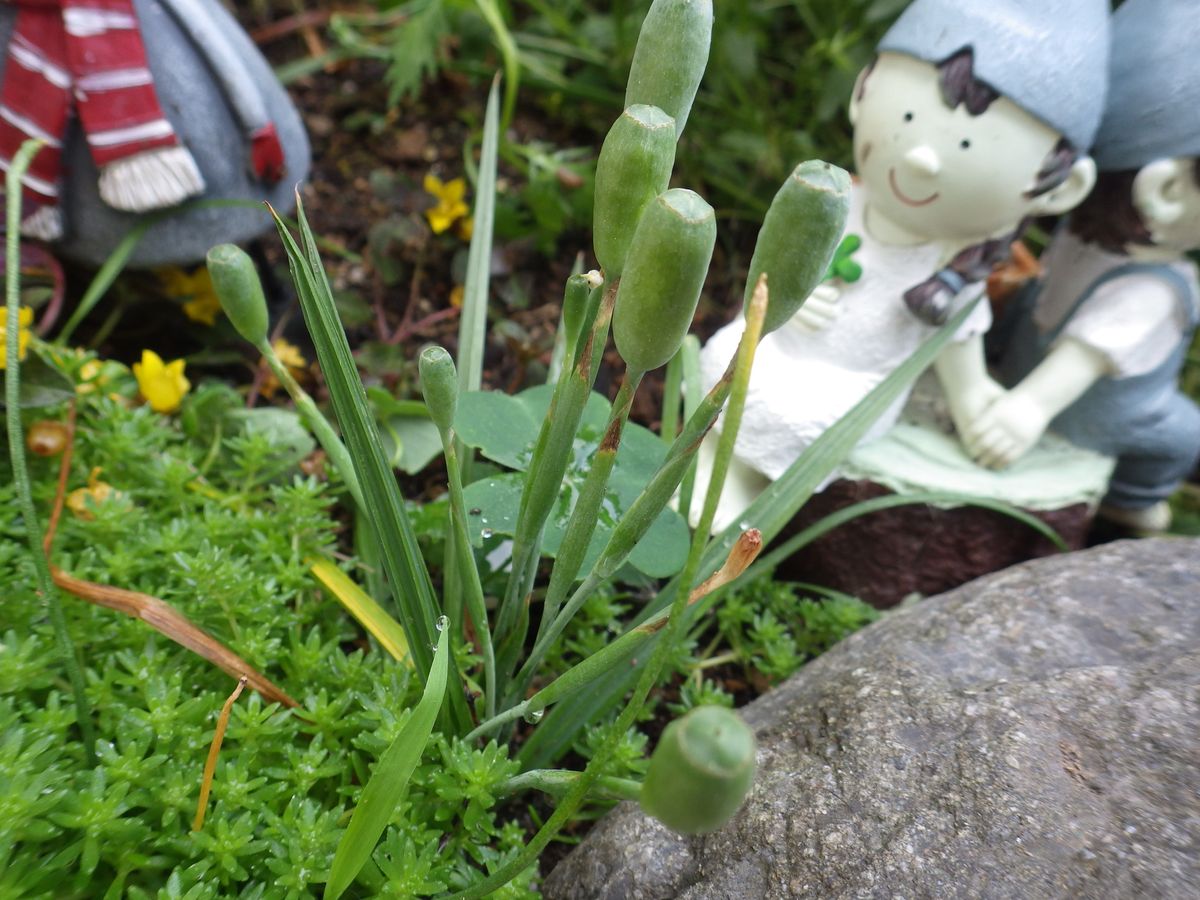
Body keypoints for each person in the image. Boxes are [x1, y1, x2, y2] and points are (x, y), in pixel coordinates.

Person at [693, 0, 1108, 531]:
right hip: (778, 342)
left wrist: (979, 410)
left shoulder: (951, 270)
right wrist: (788, 302)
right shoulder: (835, 198)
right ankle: (703, 458)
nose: (920, 158)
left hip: (851, 381)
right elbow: (771, 271)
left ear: (1061, 188)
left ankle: (744, 488)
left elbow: (962, 370)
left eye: (962, 143)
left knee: (801, 415)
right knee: (727, 359)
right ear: (862, 88)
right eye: (909, 118)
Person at [964, 0, 1200, 532]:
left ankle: (1128, 507)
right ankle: (1134, 506)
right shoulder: (1157, 286)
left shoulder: (1085, 237)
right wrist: (1026, 409)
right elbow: (1081, 354)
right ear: (1165, 190)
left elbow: (1086, 355)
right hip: (1090, 417)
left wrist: (1027, 405)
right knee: (1182, 436)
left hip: (1035, 380)